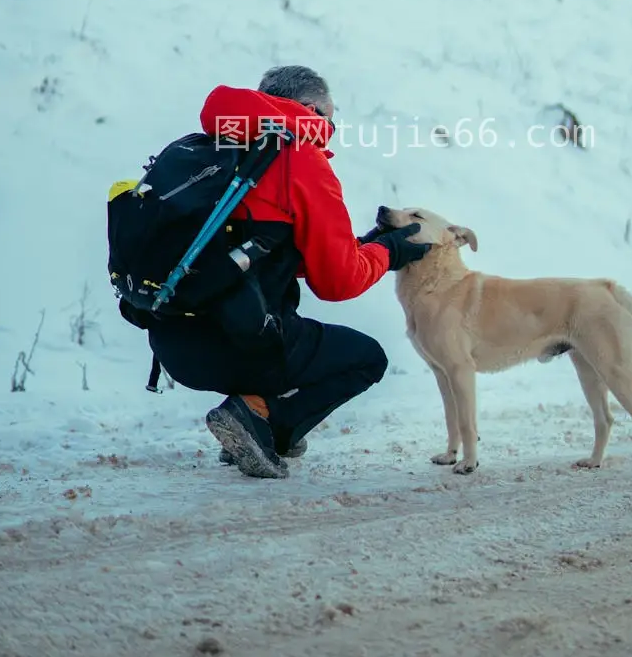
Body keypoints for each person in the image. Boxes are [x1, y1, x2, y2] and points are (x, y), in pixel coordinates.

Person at [146, 65, 431, 479]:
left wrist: (366, 243)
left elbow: (255, 254)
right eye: (332, 120)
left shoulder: (210, 147)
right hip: (241, 341)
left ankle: (255, 429)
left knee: (281, 329)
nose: (330, 129)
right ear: (312, 109)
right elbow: (338, 282)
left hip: (172, 341)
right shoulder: (298, 156)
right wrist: (389, 252)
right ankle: (256, 418)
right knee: (366, 358)